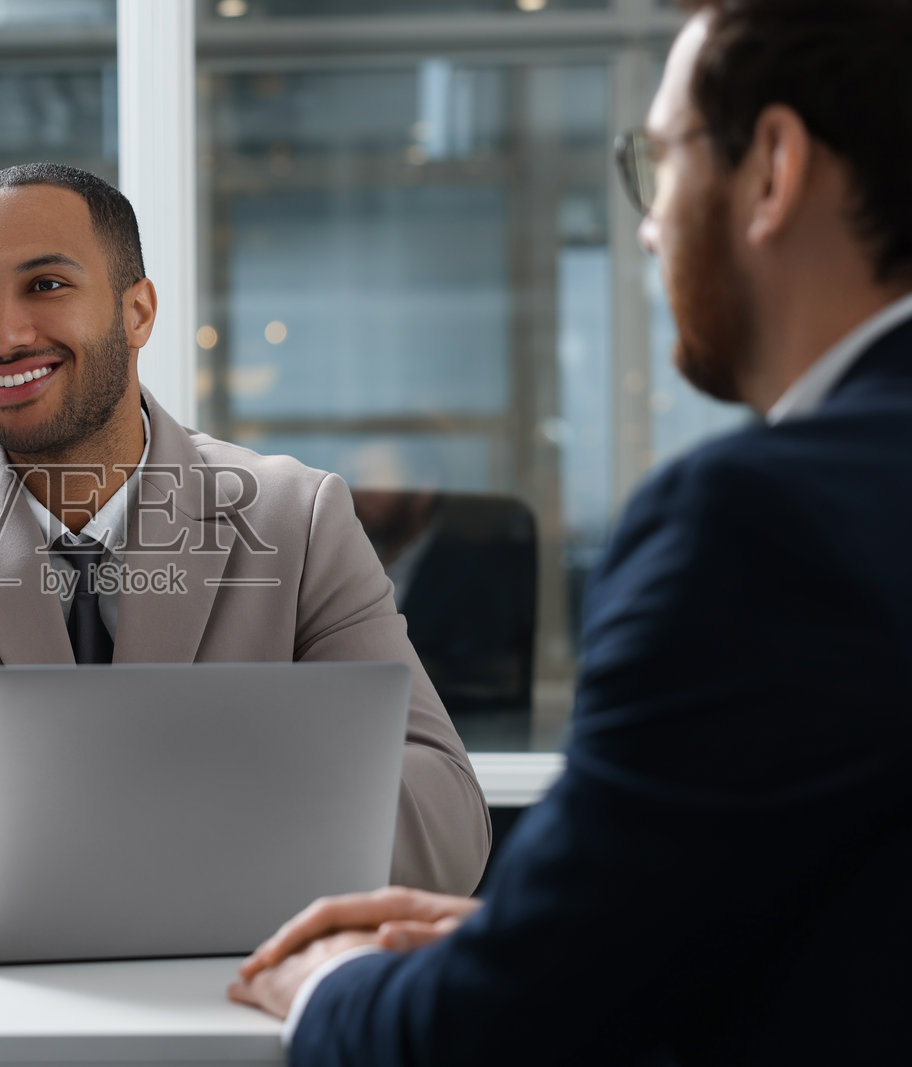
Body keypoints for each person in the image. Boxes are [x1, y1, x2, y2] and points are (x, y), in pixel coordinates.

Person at [228, 2, 912, 1063]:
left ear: (770, 167)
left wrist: (334, 983)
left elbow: (499, 1033)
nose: (645, 224)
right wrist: (549, 933)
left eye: (658, 161)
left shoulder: (755, 524)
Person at [0, 163, 492, 924]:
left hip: (230, 999)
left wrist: (144, 848)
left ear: (138, 312)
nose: (1, 335)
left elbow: (443, 814)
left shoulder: (298, 515)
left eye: (46, 286)